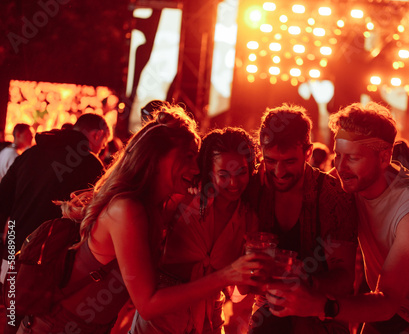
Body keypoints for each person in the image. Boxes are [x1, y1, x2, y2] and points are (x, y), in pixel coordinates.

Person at [14, 105, 267, 333]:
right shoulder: (127, 209)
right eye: (189, 156)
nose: (197, 168)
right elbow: (147, 304)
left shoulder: (154, 206)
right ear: (158, 156)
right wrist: (227, 275)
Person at [265, 102, 409, 334]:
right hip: (390, 309)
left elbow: (387, 301)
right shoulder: (347, 180)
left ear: (384, 158)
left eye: (353, 158)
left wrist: (318, 305)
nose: (341, 167)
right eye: (338, 155)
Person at [130, 127, 261, 334]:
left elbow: (240, 292)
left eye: (241, 173)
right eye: (223, 174)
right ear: (209, 171)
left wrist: (257, 273)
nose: (234, 183)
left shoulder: (248, 218)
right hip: (162, 319)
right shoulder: (183, 198)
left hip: (209, 322)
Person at [248, 104, 358, 334]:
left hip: (320, 320)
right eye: (270, 161)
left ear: (308, 153)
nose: (278, 172)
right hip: (266, 315)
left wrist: (306, 280)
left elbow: (346, 278)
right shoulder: (253, 186)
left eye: (289, 161)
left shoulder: (332, 196)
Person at [0, 113, 109, 286]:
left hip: (12, 255)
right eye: (103, 144)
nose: (101, 149)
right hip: (52, 268)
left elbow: (2, 200)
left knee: (9, 310)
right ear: (97, 135)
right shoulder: (92, 165)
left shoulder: (30, 155)